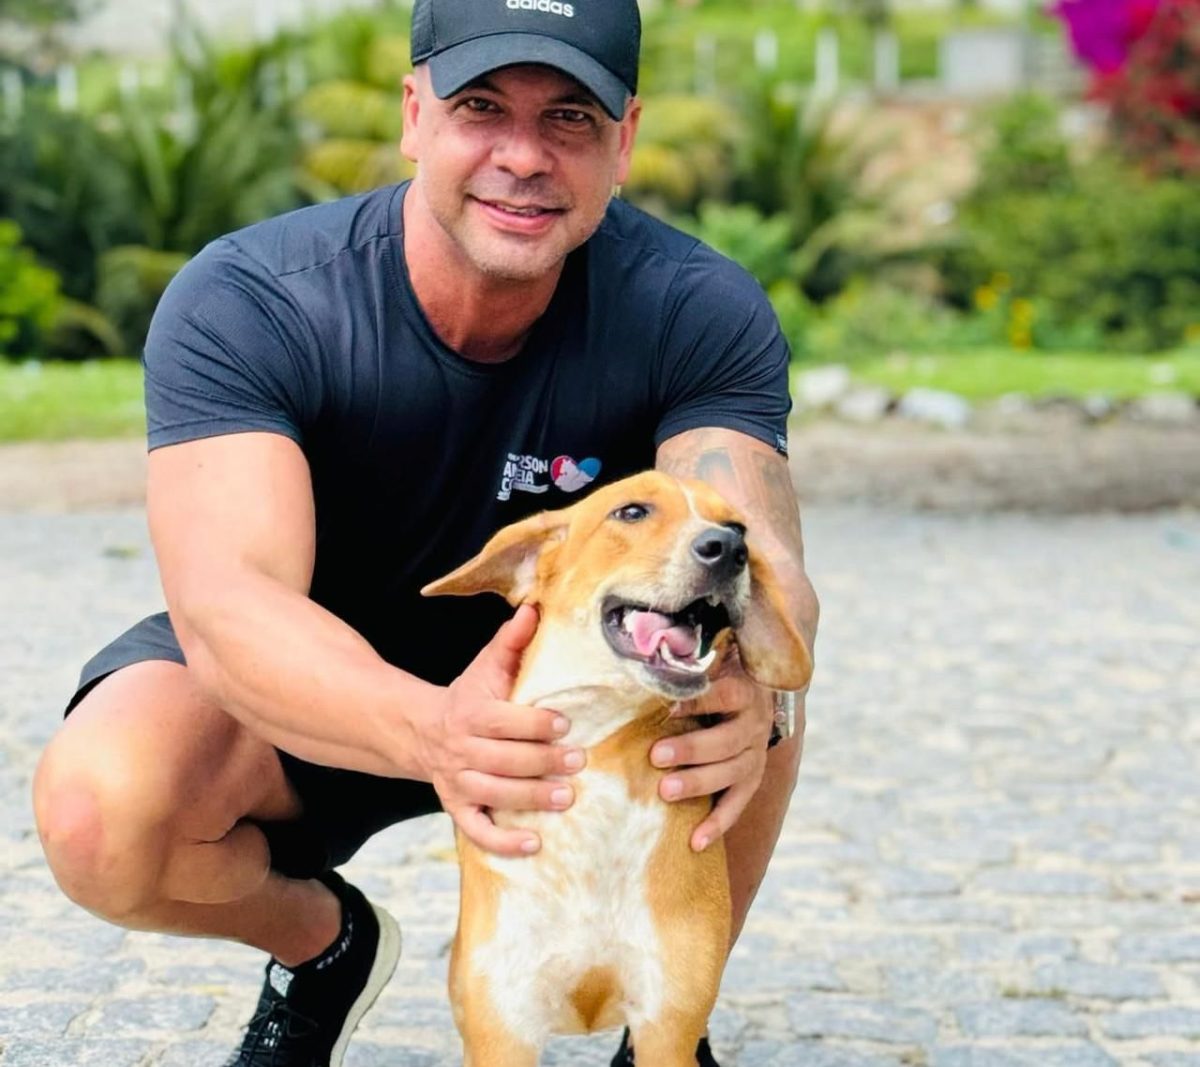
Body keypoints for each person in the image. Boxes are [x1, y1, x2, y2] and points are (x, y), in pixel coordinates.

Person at [32, 0, 819, 1063]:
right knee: (101, 811)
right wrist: (433, 728)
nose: (523, 157)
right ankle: (325, 946)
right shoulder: (254, 298)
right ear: (414, 115)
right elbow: (230, 604)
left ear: (625, 139)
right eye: (481, 107)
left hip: (591, 694)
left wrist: (757, 688)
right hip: (317, 692)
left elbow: (761, 554)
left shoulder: (695, 306)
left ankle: (664, 1015)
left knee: (754, 690)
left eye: (570, 118)